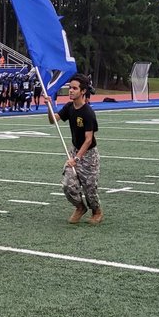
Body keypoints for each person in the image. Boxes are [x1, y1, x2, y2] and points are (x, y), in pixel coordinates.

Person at [47, 74, 103, 224]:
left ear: (83, 91)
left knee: (90, 189)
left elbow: (89, 139)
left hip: (88, 156)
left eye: (74, 88)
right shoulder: (69, 107)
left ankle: (96, 211)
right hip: (74, 152)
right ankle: (80, 207)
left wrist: (76, 158)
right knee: (68, 185)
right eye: (70, 87)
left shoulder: (88, 113)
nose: (70, 91)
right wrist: (49, 106)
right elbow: (53, 120)